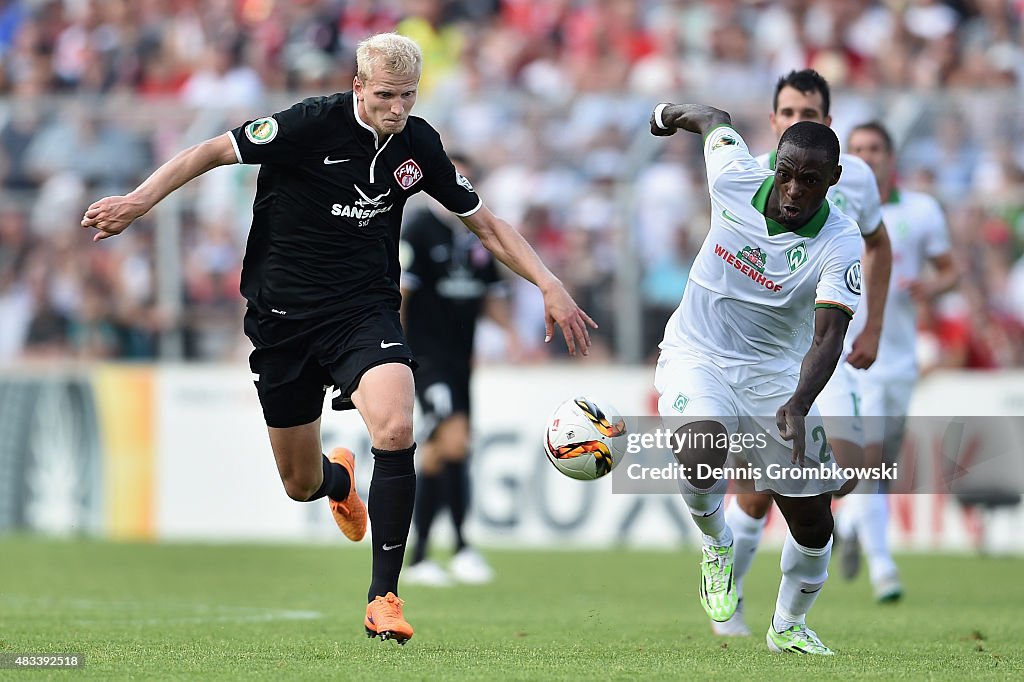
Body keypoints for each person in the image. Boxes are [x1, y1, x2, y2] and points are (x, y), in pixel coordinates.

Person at [81, 33, 595, 645]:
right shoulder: (308, 125)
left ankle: (384, 597)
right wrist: (138, 203)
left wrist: (547, 281)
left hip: (363, 311)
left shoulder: (418, 144)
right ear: (358, 86)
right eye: (385, 95)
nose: (397, 108)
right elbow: (211, 151)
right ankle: (338, 483)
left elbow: (483, 223)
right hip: (283, 318)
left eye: (407, 95)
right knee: (300, 484)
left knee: (397, 427)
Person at [651, 101, 862, 655]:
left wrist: (798, 401)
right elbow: (711, 118)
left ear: (832, 181)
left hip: (775, 377)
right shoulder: (735, 176)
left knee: (814, 525)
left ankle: (787, 625)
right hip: (697, 351)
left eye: (810, 181)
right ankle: (717, 544)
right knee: (701, 445)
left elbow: (828, 338)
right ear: (774, 166)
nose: (793, 190)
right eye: (786, 175)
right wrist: (664, 113)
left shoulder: (840, 241)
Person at [715, 69, 893, 637]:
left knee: (839, 475)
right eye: (789, 114)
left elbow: (878, 245)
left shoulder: (855, 180)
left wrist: (875, 328)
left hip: (822, 349)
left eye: (809, 114)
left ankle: (787, 602)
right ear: (774, 122)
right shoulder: (751, 179)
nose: (798, 122)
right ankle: (733, 600)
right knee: (759, 487)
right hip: (760, 354)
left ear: (828, 121)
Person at [840, 121, 958, 600]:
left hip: (901, 355)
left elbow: (950, 272)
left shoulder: (921, 210)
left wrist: (931, 286)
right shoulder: (836, 207)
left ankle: (850, 525)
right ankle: (884, 568)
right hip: (851, 353)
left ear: (891, 157)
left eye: (875, 149)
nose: (868, 156)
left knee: (881, 465)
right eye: (859, 149)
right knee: (866, 462)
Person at [393, 153, 515, 587]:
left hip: (461, 362)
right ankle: (462, 546)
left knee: (437, 453)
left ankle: (421, 555)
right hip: (426, 360)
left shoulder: (476, 235)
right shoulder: (420, 230)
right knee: (456, 443)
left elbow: (490, 296)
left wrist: (515, 337)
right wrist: (399, 354)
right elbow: (402, 295)